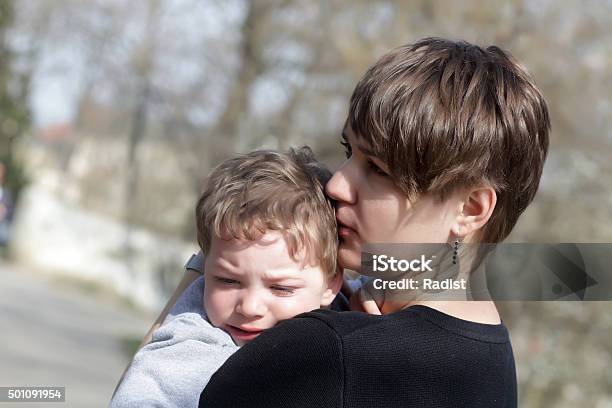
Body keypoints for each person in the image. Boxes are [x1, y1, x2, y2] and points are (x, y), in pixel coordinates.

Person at [195, 37, 550, 407]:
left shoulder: (322, 351)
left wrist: (206, 265)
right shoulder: (493, 362)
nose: (336, 184)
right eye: (350, 152)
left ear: (470, 209)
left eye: (378, 169)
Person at [110, 147, 343, 407]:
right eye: (228, 281)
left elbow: (392, 267)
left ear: (332, 283)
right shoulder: (190, 348)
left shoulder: (354, 308)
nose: (250, 307)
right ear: (206, 268)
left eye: (280, 288)